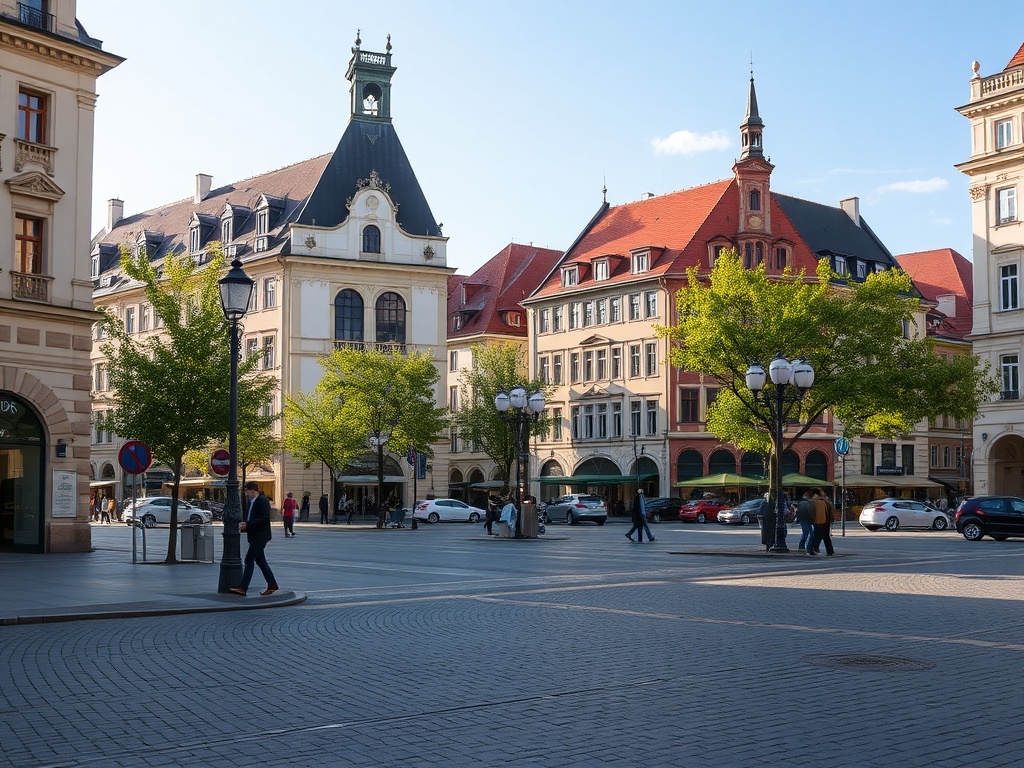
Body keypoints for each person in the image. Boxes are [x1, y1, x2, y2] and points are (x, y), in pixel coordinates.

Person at [230, 482, 278, 596]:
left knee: (249, 560)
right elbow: (251, 517)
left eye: (246, 491)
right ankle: (272, 585)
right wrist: (245, 524)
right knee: (260, 561)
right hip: (254, 535)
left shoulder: (262, 501)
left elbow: (264, 519)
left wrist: (248, 525)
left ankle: (243, 588)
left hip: (260, 536)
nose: (245, 494)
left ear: (253, 490)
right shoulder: (251, 501)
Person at [808, 487, 835, 557]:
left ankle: (814, 549)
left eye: (813, 495)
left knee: (817, 536)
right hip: (826, 521)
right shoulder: (826, 501)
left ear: (816, 495)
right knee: (826, 537)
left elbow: (812, 512)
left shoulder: (816, 502)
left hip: (819, 521)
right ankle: (830, 551)